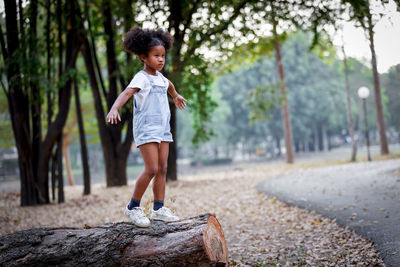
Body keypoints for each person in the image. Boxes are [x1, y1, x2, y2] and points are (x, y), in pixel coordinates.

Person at [106, 27, 187, 227]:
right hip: (146, 129)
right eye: (156, 56)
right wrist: (115, 108)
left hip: (163, 130)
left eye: (163, 56)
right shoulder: (141, 77)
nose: (161, 60)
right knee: (151, 168)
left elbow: (170, 86)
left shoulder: (161, 78)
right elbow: (126, 93)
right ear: (144, 57)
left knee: (162, 168)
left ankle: (159, 209)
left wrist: (176, 96)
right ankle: (133, 207)